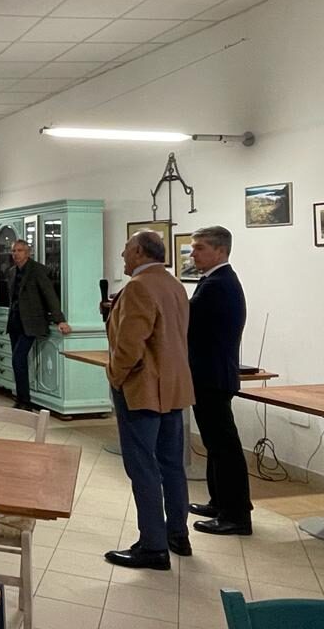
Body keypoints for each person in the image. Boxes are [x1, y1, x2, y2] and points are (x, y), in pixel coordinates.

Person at [104, 230, 194, 571]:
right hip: (173, 387)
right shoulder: (174, 284)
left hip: (143, 389)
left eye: (126, 249)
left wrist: (115, 375)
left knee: (142, 466)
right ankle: (177, 533)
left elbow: (130, 345)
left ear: (140, 252)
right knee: (171, 464)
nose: (123, 256)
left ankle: (153, 546)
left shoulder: (139, 287)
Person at [187, 226, 252, 536]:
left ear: (220, 251)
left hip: (212, 375)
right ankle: (219, 502)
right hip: (209, 373)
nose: (192, 254)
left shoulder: (218, 284)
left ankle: (236, 515)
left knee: (224, 447)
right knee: (215, 444)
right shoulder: (213, 281)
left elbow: (189, 321)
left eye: (199, 248)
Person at [6, 239, 72, 410]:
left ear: (28, 253)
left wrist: (60, 319)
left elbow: (49, 295)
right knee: (17, 361)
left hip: (32, 322)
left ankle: (25, 401)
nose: (16, 254)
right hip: (15, 321)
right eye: (14, 251)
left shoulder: (37, 270)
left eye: (20, 250)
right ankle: (21, 398)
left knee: (18, 359)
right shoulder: (12, 272)